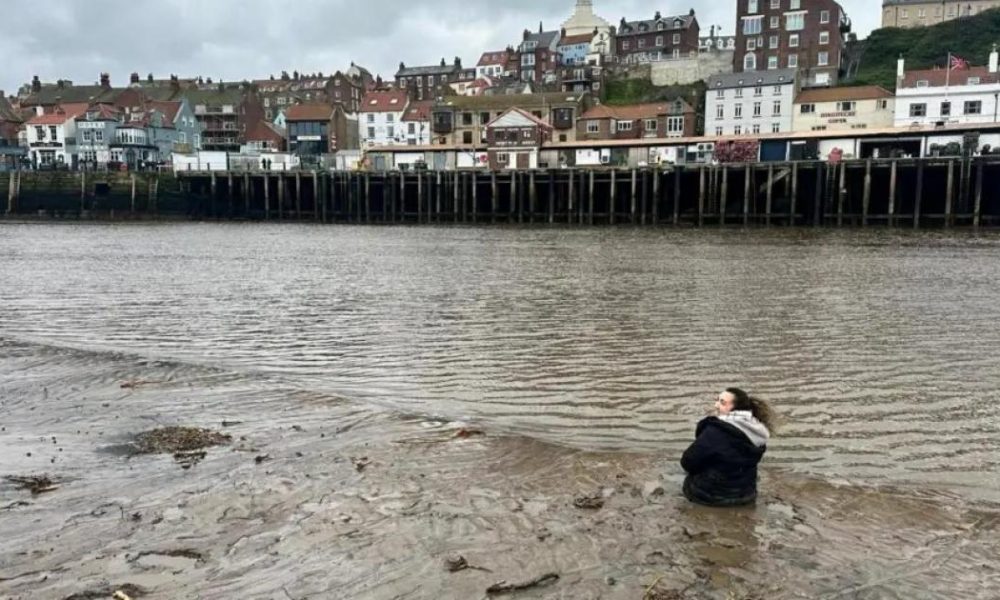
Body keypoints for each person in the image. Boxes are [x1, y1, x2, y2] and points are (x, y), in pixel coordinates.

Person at [680, 388, 775, 507]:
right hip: (747, 495)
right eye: (717, 400)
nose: (716, 405)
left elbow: (687, 462)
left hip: (711, 497)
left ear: (735, 408)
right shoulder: (758, 431)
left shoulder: (715, 431)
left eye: (722, 402)